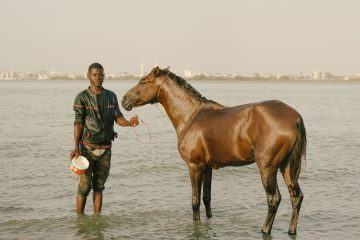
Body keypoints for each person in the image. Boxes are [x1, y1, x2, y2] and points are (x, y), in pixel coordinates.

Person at [70, 62, 139, 214]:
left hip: (106, 149)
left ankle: (97, 221)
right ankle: (80, 221)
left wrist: (129, 123)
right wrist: (76, 147)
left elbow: (118, 118)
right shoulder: (82, 98)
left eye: (101, 74)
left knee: (99, 187)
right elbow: (78, 123)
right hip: (87, 148)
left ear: (104, 76)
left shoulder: (111, 96)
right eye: (94, 75)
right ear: (88, 76)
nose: (98, 77)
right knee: (84, 187)